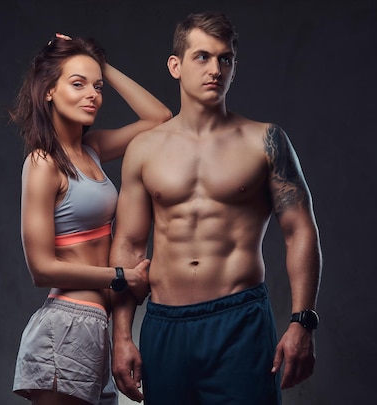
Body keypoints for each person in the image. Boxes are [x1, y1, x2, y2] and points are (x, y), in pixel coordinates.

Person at [110, 12, 322, 404]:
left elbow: (300, 230)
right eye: (202, 57)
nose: (215, 69)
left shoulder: (265, 140)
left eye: (225, 59)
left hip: (239, 321)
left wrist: (302, 322)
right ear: (175, 66)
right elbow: (128, 246)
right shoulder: (144, 149)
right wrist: (121, 335)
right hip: (164, 324)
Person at [11, 33, 171, 405]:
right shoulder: (42, 164)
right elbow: (41, 269)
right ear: (48, 91)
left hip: (100, 325)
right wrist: (121, 277)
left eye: (97, 86)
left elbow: (159, 118)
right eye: (78, 83)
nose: (93, 95)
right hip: (66, 324)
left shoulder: (93, 149)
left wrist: (100, 63)